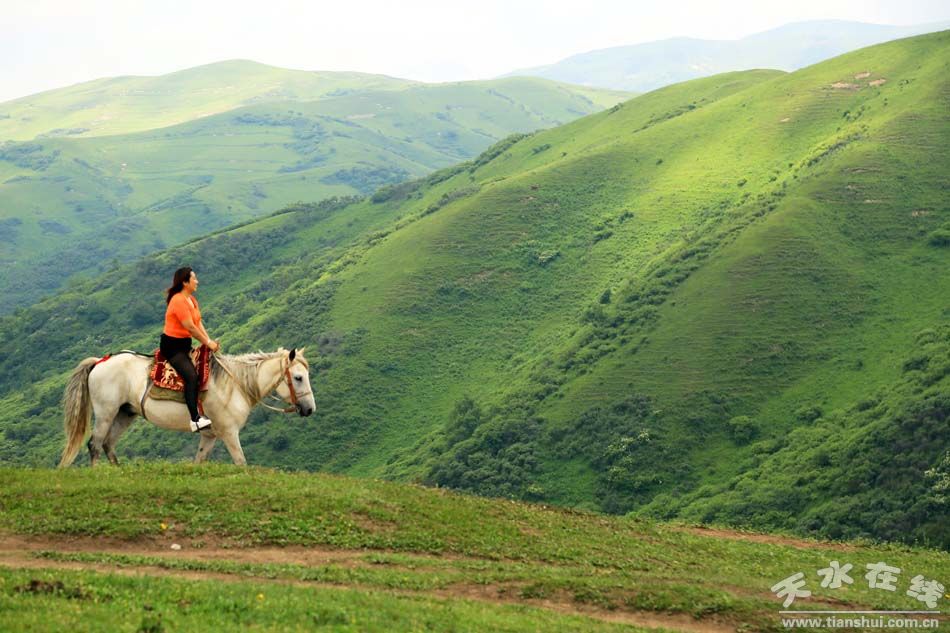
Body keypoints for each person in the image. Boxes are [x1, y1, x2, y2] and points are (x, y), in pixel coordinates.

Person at [161, 267, 220, 432]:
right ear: (185, 282)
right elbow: (190, 327)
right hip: (173, 347)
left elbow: (198, 323)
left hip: (184, 344)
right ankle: (195, 419)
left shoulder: (191, 300)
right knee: (191, 377)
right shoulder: (178, 300)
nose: (197, 281)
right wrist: (208, 343)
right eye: (194, 279)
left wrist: (209, 341)